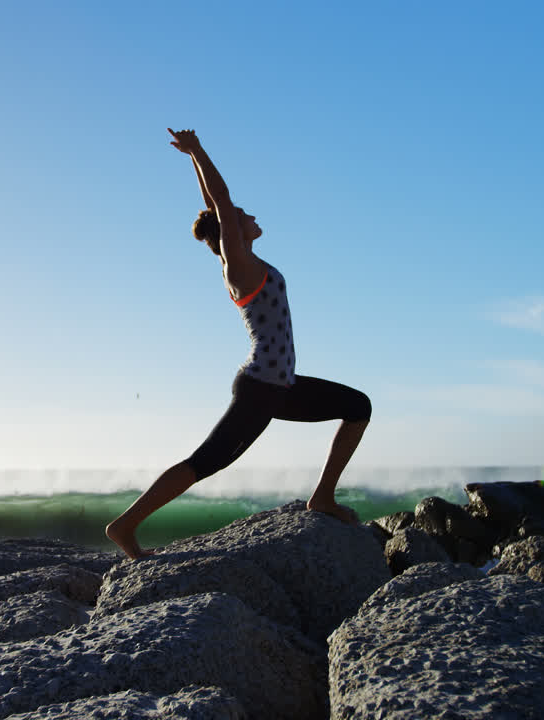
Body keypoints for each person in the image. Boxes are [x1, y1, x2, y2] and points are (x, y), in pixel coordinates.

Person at [105, 128, 372, 560]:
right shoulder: (239, 267)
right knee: (205, 463)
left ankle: (323, 496)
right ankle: (124, 526)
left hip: (281, 387)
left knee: (358, 406)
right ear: (231, 231)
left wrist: (192, 160)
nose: (248, 215)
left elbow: (216, 206)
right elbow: (222, 203)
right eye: (241, 214)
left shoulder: (248, 261)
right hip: (261, 388)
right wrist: (198, 151)